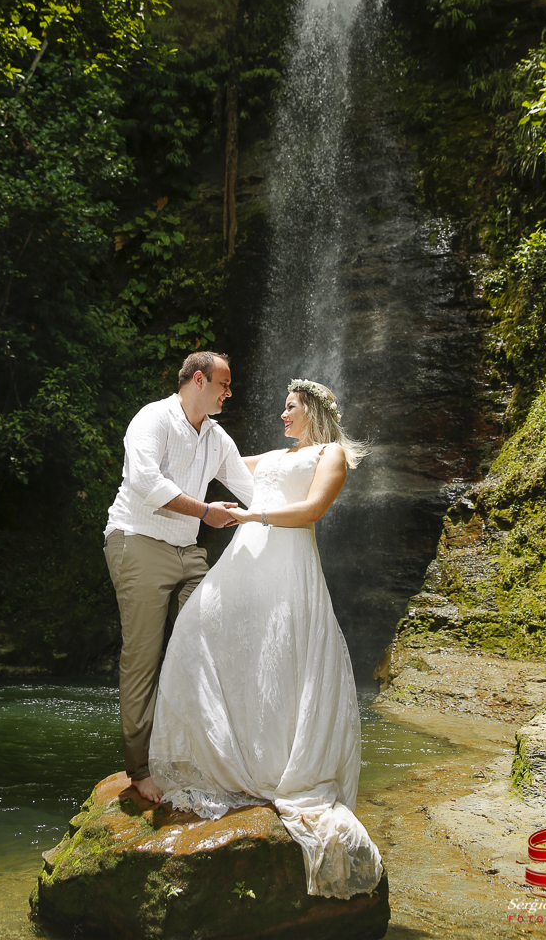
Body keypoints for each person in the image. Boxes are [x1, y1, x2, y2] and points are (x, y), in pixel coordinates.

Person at [148, 377, 383, 899]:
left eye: (290, 407)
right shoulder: (275, 456)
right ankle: (224, 753)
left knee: (279, 657)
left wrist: (251, 514)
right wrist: (178, 436)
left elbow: (311, 511)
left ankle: (275, 765)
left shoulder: (330, 455)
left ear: (312, 410)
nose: (283, 414)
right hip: (246, 559)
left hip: (287, 560)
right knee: (200, 627)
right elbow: (220, 462)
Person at [104, 351, 254, 803]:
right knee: (143, 656)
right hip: (137, 541)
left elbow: (250, 488)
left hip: (188, 553)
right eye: (224, 384)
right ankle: (140, 769)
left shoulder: (216, 437)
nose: (230, 393)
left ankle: (200, 755)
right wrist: (206, 511)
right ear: (199, 380)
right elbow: (146, 484)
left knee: (208, 642)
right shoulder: (153, 419)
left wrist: (295, 508)